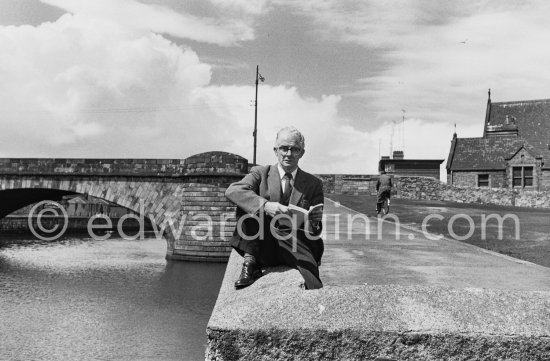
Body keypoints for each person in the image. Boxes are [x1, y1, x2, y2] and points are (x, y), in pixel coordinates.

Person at [225, 126, 324, 290]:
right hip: (263, 244)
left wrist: (313, 223)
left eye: (295, 149)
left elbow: (316, 230)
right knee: (251, 203)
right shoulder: (260, 173)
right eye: (284, 148)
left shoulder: (314, 184)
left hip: (295, 244)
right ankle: (250, 262)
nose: (289, 154)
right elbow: (233, 190)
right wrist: (266, 205)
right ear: (276, 150)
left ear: (302, 153)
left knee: (314, 285)